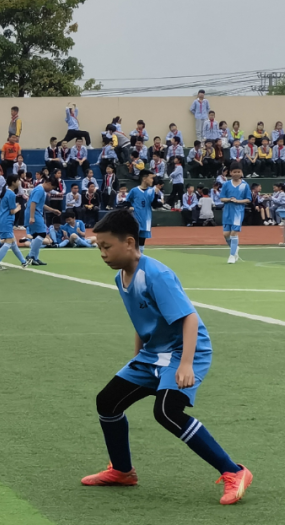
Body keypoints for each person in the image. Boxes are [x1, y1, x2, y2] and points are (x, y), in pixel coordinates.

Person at [81, 210, 252, 505]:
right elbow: (141, 320)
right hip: (153, 354)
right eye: (99, 248)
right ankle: (122, 471)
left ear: (130, 242)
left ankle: (234, 471)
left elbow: (189, 319)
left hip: (186, 351)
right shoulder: (121, 278)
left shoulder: (156, 274)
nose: (102, 254)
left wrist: (185, 364)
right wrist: (136, 358)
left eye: (106, 247)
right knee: (107, 402)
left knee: (167, 412)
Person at [0, 175, 28, 270]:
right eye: (18, 180)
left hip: (2, 219)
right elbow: (12, 211)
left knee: (13, 242)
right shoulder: (11, 194)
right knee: (8, 242)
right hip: (6, 220)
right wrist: (18, 208)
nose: (19, 182)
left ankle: (23, 262)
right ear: (13, 182)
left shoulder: (5, 192)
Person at [219, 162, 251, 264]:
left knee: (233, 233)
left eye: (238, 172)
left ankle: (232, 256)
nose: (237, 173)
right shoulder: (226, 184)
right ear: (230, 173)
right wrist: (229, 199)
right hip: (227, 211)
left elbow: (248, 199)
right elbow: (222, 198)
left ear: (241, 172)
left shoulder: (244, 185)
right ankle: (235, 248)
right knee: (226, 234)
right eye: (234, 172)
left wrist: (238, 201)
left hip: (238, 211)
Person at [25, 175, 59, 267]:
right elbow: (33, 203)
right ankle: (31, 255)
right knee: (42, 234)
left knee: (37, 235)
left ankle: (35, 257)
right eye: (52, 187)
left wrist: (52, 210)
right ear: (48, 183)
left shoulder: (40, 190)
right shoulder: (40, 190)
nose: (51, 189)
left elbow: (40, 204)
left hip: (35, 212)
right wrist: (32, 217)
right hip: (35, 213)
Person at [127, 169, 156, 246]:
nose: (152, 180)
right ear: (144, 178)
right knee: (133, 240)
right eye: (151, 178)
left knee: (141, 242)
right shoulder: (134, 190)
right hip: (135, 219)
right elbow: (127, 201)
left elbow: (155, 204)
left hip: (146, 220)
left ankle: (139, 257)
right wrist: (130, 206)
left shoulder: (151, 191)